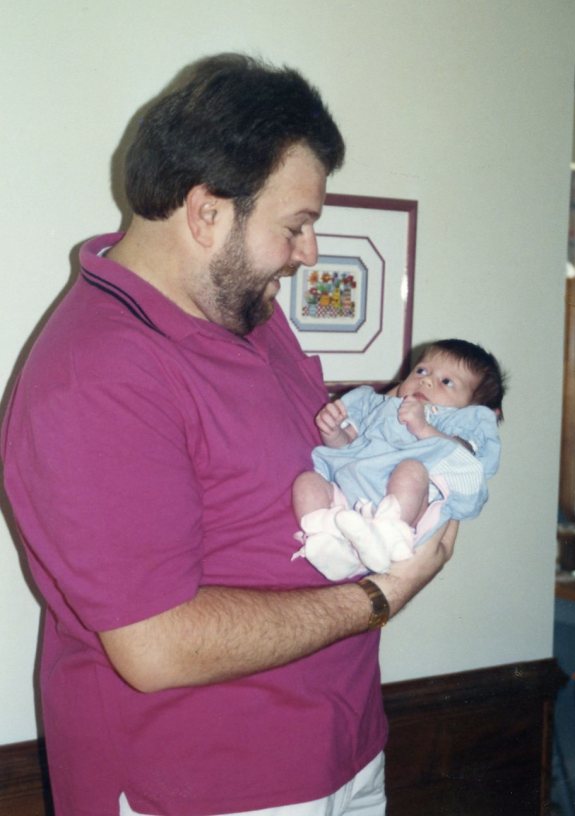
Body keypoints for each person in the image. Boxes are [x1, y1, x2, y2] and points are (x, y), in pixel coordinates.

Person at [1, 53, 459, 816]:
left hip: (340, 753)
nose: (309, 252)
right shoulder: (97, 376)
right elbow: (158, 646)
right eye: (297, 226)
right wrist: (379, 596)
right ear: (207, 212)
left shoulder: (252, 317)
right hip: (198, 787)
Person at [293, 339, 505, 581]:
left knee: (412, 470)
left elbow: (464, 456)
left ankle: (383, 537)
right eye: (422, 370)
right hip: (346, 495)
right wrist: (334, 433)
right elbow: (347, 446)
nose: (426, 380)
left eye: (446, 382)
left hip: (399, 508)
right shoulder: (377, 405)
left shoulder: (454, 421)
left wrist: (423, 428)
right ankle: (327, 541)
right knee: (307, 482)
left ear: (471, 405)